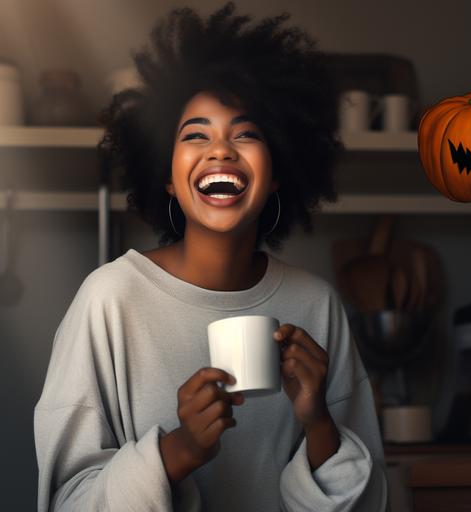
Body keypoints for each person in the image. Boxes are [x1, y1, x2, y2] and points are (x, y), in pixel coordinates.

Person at [34, 3, 388, 511]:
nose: (220, 150)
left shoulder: (316, 304)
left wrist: (318, 422)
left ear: (280, 169)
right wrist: (181, 449)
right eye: (195, 134)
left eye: (245, 133)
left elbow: (372, 502)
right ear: (165, 174)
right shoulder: (109, 300)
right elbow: (66, 501)